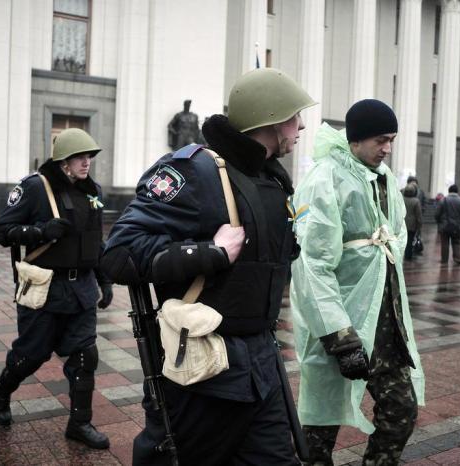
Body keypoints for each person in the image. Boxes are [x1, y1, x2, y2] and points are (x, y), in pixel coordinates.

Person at [102, 67, 316, 465]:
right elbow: (119, 253)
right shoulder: (194, 171)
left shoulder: (272, 177)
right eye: (293, 115)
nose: (300, 125)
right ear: (270, 118)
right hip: (204, 375)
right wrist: (210, 253)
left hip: (261, 366)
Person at [290, 99, 425, 466]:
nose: (387, 148)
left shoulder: (385, 178)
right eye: (381, 139)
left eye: (392, 140)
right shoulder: (325, 178)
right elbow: (313, 265)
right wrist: (339, 336)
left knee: (401, 412)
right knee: (319, 429)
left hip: (385, 326)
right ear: (357, 139)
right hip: (340, 327)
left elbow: (393, 238)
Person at [0, 128, 113, 449]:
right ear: (62, 162)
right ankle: (1, 389)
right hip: (44, 290)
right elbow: (1, 230)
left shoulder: (92, 191)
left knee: (85, 356)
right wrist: (40, 231)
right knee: (31, 356)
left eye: (89, 156)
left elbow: (93, 240)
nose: (87, 162)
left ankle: (79, 424)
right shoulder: (34, 188)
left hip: (81, 289)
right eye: (79, 157)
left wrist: (104, 280)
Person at [435, 184, 460, 266]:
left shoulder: (443, 200)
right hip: (457, 226)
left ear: (449, 191)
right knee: (456, 242)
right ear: (457, 191)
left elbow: (437, 214)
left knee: (445, 243)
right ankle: (457, 258)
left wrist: (439, 222)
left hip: (445, 226)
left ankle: (444, 259)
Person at [402, 183, 422, 261]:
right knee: (409, 241)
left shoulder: (402, 199)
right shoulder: (416, 201)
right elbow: (418, 215)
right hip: (412, 224)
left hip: (402, 222)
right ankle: (408, 256)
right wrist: (419, 225)